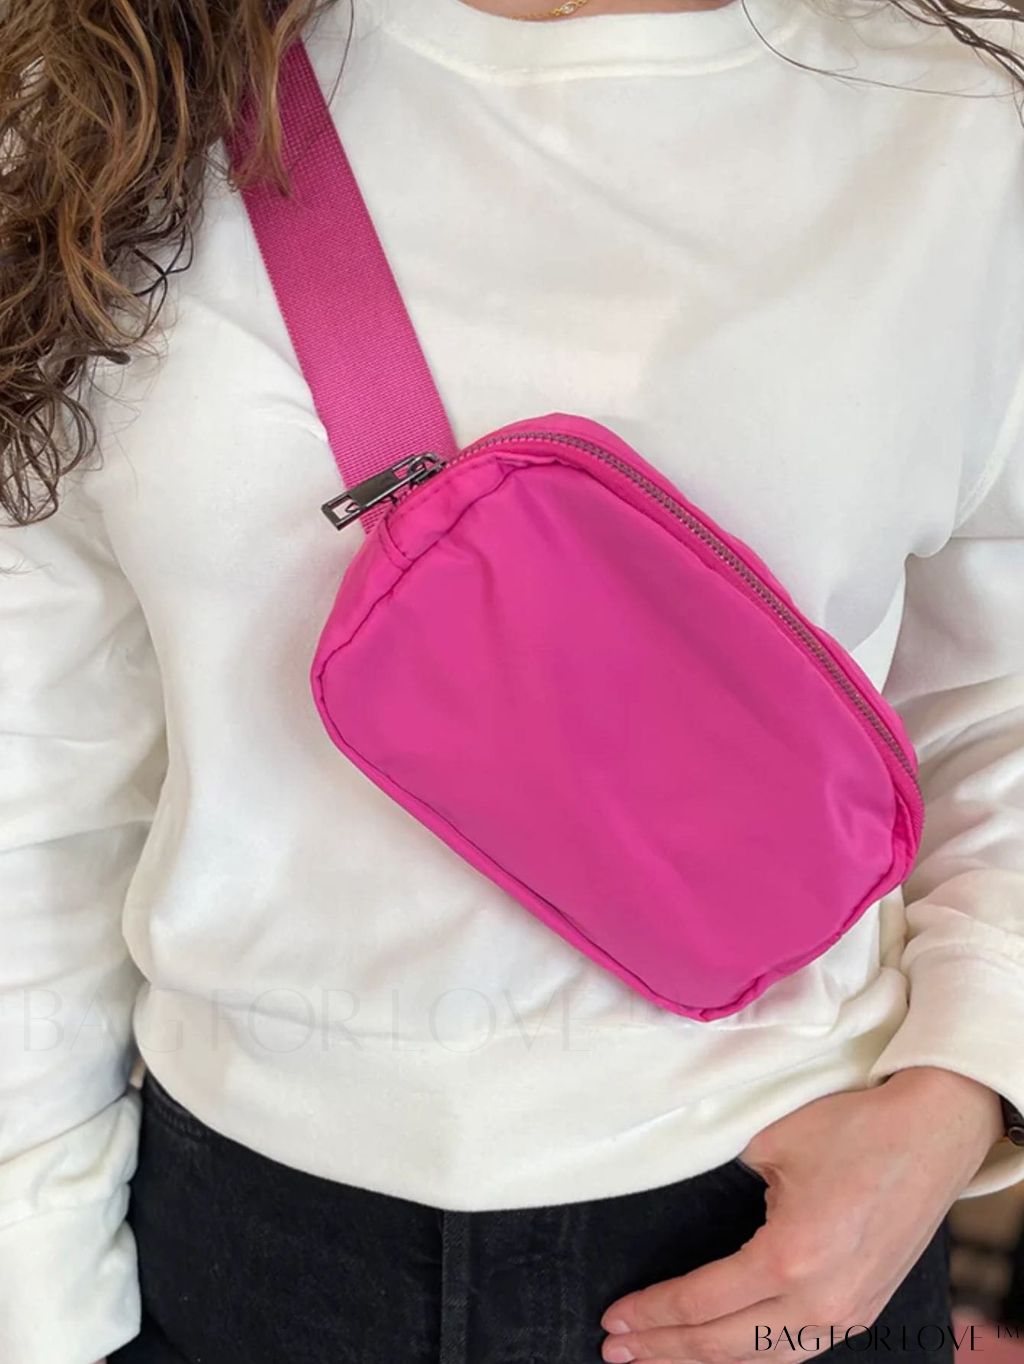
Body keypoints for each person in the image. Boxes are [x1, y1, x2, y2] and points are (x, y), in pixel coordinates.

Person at [2, 1, 1024, 1361]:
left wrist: (958, 1099)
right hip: (241, 1243)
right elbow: (38, 770)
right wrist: (43, 1301)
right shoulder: (114, 98)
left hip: (778, 1222)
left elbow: (997, 707)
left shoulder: (961, 122)